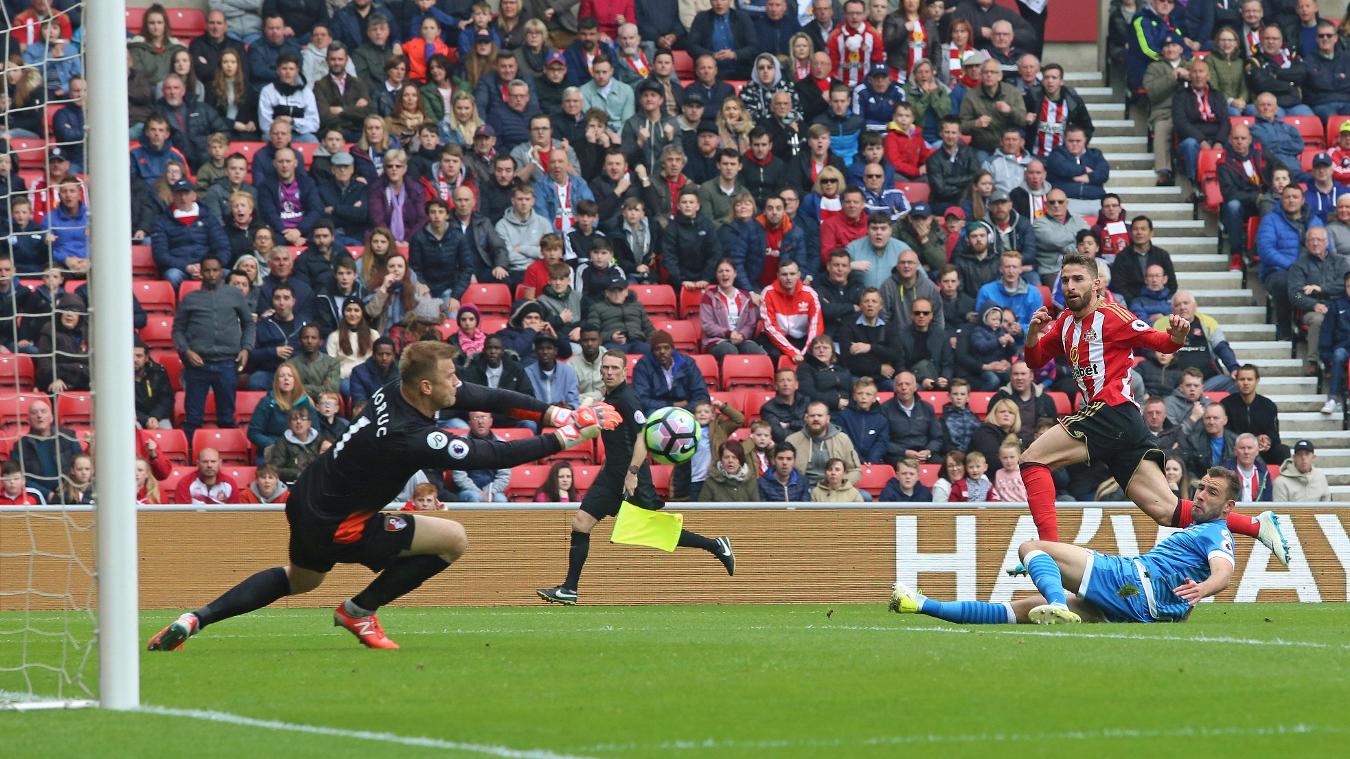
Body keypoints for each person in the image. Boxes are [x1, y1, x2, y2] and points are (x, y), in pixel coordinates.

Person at [149, 341, 614, 650]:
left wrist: (554, 411)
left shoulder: (397, 389)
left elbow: (481, 396)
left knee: (301, 580)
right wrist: (566, 439)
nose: (459, 384)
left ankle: (196, 618)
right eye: (451, 378)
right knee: (453, 539)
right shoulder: (413, 436)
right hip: (341, 521)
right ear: (428, 387)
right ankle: (359, 611)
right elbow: (487, 453)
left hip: (309, 496)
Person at [1017, 253, 1290, 566]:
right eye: (1065, 280)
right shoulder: (1066, 322)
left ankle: (1048, 554)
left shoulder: (1114, 316)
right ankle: (1256, 525)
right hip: (1121, 425)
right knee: (1167, 511)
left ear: (1097, 284)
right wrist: (1031, 336)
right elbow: (1035, 360)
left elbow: (1160, 342)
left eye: (1077, 279)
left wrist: (1178, 335)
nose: (1070, 286)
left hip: (1111, 411)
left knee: (1032, 460)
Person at [891, 467, 1244, 626]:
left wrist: (1204, 588)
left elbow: (1223, 574)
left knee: (1031, 547)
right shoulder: (1202, 532)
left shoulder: (1217, 533)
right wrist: (1182, 605)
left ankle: (1058, 603)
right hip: (1137, 608)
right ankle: (919, 603)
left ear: (1228, 508)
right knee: (1021, 610)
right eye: (1201, 487)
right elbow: (1187, 597)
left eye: (1212, 493)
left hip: (1131, 579)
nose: (1199, 495)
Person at [535, 349, 733, 605]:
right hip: (611, 475)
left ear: (624, 371)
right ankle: (569, 589)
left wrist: (633, 473)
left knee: (655, 530)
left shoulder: (628, 399)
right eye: (605, 368)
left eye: (614, 368)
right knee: (580, 523)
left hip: (630, 476)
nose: (608, 372)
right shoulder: (610, 397)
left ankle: (716, 546)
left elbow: (643, 437)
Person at [173, 255, 254, 441]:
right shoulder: (189, 299)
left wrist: (246, 348)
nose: (211, 274)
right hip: (197, 364)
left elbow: (249, 323)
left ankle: (226, 453)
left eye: (215, 270)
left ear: (221, 272)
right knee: (193, 418)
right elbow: (177, 330)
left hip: (227, 362)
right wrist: (186, 351)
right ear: (201, 273)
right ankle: (191, 456)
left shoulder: (234, 295)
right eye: (207, 270)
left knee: (227, 417)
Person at [759, 258, 822, 363]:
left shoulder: (810, 294)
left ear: (798, 275)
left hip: (801, 338)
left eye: (792, 274)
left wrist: (805, 352)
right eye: (784, 274)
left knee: (812, 357)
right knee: (774, 356)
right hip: (773, 339)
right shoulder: (768, 293)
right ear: (778, 276)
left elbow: (816, 326)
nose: (788, 278)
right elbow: (770, 327)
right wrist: (792, 352)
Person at [700, 258, 765, 358]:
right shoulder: (709, 296)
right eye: (720, 271)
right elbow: (707, 325)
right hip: (716, 341)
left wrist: (742, 335)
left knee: (755, 351)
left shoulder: (746, 296)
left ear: (735, 274)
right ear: (717, 275)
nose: (724, 274)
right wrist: (728, 334)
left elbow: (750, 324)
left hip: (741, 339)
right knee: (730, 350)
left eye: (727, 271)